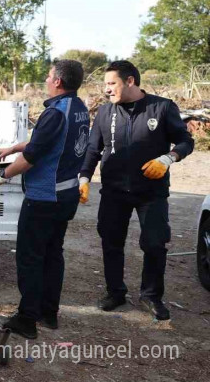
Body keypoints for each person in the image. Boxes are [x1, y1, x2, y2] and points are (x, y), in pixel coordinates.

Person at [80, 60, 194, 321]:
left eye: (112, 83)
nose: (107, 90)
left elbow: (186, 141)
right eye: (105, 84)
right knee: (111, 241)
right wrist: (84, 178)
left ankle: (151, 296)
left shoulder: (162, 107)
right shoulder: (105, 113)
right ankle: (115, 293)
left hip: (151, 192)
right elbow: (92, 149)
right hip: (114, 191)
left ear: (130, 81)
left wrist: (168, 158)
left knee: (154, 243)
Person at [0, 59, 89, 339]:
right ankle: (49, 312)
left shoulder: (55, 113)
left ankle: (27, 319)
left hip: (44, 197)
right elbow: (44, 142)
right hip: (65, 195)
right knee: (52, 254)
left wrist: (3, 175)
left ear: (58, 81)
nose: (46, 80)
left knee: (31, 258)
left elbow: (32, 157)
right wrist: (12, 147)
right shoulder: (78, 108)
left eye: (48, 76)